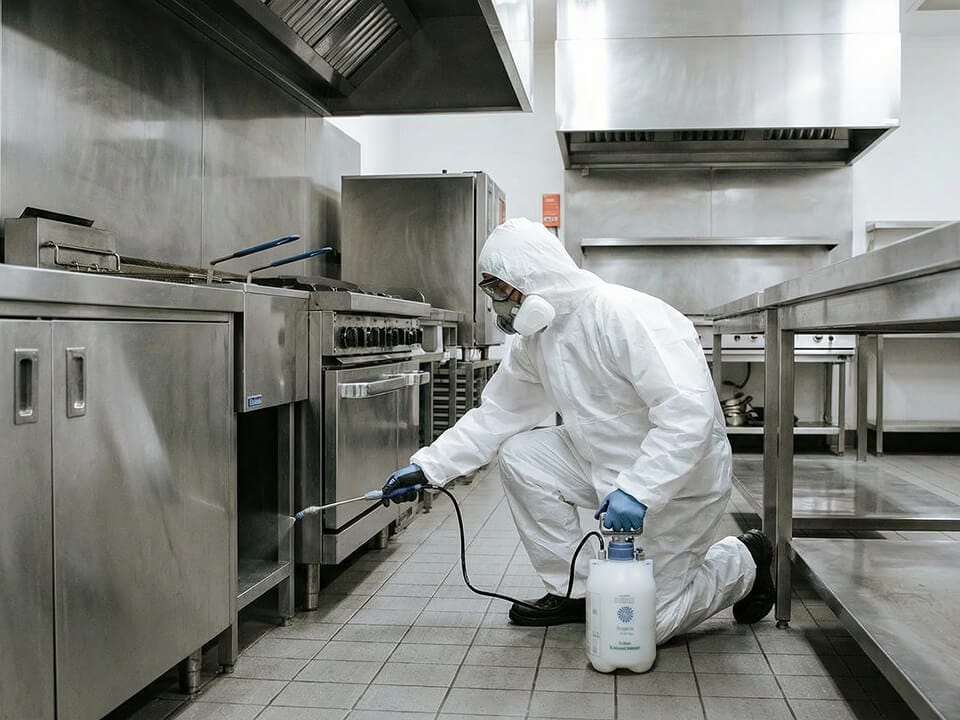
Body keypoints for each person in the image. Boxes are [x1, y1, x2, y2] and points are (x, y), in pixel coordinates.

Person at [382, 218, 774, 643]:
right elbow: (497, 413)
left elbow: (687, 414)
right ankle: (577, 590)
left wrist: (641, 489)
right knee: (520, 455)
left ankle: (744, 560)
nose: (496, 304)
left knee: (645, 627)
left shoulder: (625, 314)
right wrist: (428, 468)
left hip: (679, 484)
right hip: (604, 468)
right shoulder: (537, 339)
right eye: (489, 290)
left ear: (531, 277)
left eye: (499, 289)